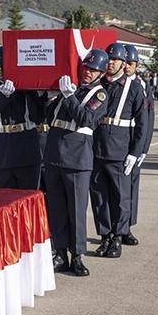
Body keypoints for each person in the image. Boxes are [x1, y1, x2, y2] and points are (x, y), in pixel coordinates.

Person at [45, 49, 109, 276]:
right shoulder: (69, 87)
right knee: (56, 209)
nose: (88, 73)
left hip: (77, 157)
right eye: (86, 68)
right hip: (54, 152)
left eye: (93, 70)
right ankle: (60, 253)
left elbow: (86, 119)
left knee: (76, 210)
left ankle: (77, 256)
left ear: (101, 73)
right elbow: (47, 116)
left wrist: (68, 96)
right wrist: (53, 96)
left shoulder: (100, 95)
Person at [90, 44, 145, 259]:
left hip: (120, 150)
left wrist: (135, 152)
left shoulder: (134, 88)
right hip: (96, 148)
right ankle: (104, 235)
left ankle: (117, 237)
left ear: (124, 63)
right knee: (99, 196)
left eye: (115, 59)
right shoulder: (99, 85)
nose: (110, 62)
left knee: (120, 197)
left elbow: (142, 123)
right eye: (109, 59)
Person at [0, 46, 44, 189]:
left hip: (27, 143)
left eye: (3, 66)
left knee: (28, 196)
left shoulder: (27, 88)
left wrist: (34, 91)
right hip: (4, 146)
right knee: (6, 198)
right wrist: (3, 96)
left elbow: (39, 115)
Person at [124, 47, 154, 247]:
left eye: (131, 64)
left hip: (135, 137)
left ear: (136, 66)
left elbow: (148, 119)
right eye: (124, 63)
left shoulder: (141, 85)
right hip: (117, 138)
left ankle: (127, 227)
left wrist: (143, 148)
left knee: (131, 186)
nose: (127, 67)